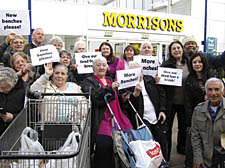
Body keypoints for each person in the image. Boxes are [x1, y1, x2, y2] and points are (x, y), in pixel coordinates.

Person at [81, 57, 134, 168]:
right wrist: (109, 88)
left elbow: (117, 98)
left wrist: (123, 98)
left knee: (127, 140)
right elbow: (94, 97)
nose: (101, 67)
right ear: (93, 67)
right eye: (98, 65)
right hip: (102, 119)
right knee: (105, 144)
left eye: (104, 65)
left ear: (107, 67)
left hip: (117, 117)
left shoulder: (110, 79)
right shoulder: (89, 81)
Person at [127, 61, 168, 159]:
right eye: (135, 71)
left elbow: (161, 94)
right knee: (148, 143)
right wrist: (135, 95)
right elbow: (129, 107)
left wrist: (162, 110)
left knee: (162, 141)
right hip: (142, 119)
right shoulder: (128, 85)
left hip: (156, 116)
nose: (138, 74)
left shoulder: (150, 80)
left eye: (140, 71)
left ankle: (164, 161)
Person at [160, 40, 190, 160]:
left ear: (182, 49)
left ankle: (181, 147)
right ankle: (166, 152)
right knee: (167, 128)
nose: (176, 50)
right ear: (170, 52)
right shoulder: (166, 65)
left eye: (178, 48)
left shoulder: (189, 63)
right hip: (170, 102)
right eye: (174, 49)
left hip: (184, 102)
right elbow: (161, 83)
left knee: (183, 127)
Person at [191, 78, 225, 168]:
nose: (213, 93)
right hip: (206, 158)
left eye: (217, 89)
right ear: (206, 92)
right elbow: (195, 137)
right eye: (210, 90)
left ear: (223, 91)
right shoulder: (198, 110)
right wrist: (198, 158)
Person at [184, 52, 210, 168]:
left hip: (211, 115)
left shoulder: (212, 76)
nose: (197, 64)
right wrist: (189, 122)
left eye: (199, 62)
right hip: (196, 117)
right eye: (194, 62)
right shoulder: (189, 79)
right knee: (194, 144)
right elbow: (188, 103)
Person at [0, 67, 25, 135]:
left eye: (4, 88)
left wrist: (13, 117)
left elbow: (29, 114)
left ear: (14, 83)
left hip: (15, 132)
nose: (0, 90)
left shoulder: (24, 91)